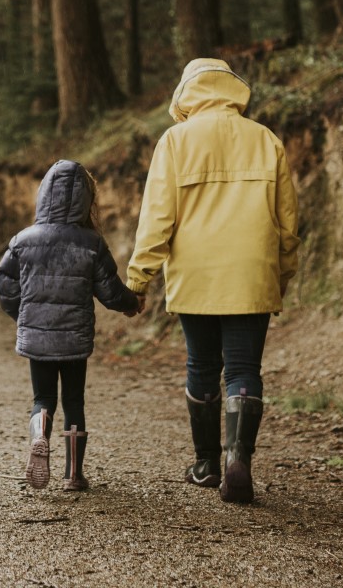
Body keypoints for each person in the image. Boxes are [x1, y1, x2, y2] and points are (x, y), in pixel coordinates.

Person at [126, 58, 300, 505]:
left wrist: (138, 278)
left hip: (196, 277)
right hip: (252, 274)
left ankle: (205, 464)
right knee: (244, 370)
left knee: (202, 367)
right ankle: (237, 459)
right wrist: (279, 273)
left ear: (186, 93)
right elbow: (288, 222)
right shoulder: (265, 139)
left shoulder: (175, 141)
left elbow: (157, 219)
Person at [0, 160, 139, 491]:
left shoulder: (23, 240)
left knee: (43, 396)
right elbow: (110, 291)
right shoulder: (91, 243)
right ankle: (74, 475)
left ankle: (39, 433)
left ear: (44, 195)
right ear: (86, 201)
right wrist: (132, 304)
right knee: (74, 399)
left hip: (37, 337)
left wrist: (27, 317)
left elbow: (4, 285)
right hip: (74, 338)